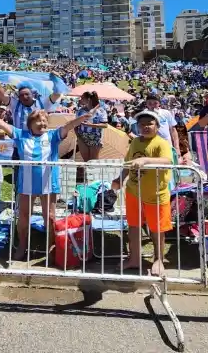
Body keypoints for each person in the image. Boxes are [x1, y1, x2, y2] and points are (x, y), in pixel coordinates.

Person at [0, 105, 93, 262]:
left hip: (48, 184)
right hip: (26, 184)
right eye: (39, 121)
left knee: (51, 217)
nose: (42, 124)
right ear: (30, 123)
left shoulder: (53, 135)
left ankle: (51, 246)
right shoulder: (20, 134)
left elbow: (69, 126)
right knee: (24, 216)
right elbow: (0, 123)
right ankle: (22, 246)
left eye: (45, 121)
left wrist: (82, 118)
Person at [111, 110, 174, 276]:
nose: (146, 126)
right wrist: (120, 179)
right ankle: (134, 258)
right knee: (133, 226)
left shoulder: (161, 143)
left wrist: (146, 160)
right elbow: (128, 163)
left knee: (157, 229)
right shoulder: (135, 142)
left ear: (157, 126)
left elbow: (167, 161)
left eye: (150, 123)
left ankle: (158, 259)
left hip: (156, 195)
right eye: (142, 124)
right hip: (133, 192)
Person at [141, 93, 184, 163]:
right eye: (150, 103)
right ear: (146, 103)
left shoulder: (166, 113)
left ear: (159, 103)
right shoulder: (143, 114)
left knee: (169, 167)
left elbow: (173, 130)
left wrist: (177, 147)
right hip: (149, 146)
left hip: (167, 145)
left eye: (155, 103)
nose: (152, 105)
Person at [75, 91, 109, 163]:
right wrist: (78, 137)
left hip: (95, 137)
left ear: (88, 99)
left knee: (93, 162)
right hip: (82, 137)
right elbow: (75, 125)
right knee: (86, 161)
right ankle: (86, 174)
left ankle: (92, 174)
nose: (80, 99)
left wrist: (90, 125)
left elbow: (105, 125)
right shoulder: (80, 111)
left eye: (82, 98)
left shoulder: (101, 110)